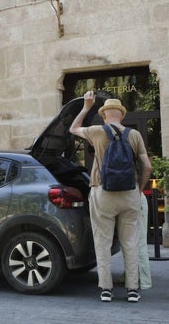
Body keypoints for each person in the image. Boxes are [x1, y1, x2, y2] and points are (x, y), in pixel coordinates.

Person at [70, 93, 152, 303]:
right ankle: (133, 289)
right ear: (121, 116)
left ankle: (106, 289)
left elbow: (73, 128)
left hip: (102, 191)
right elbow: (148, 166)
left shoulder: (97, 131)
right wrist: (139, 189)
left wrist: (86, 106)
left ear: (105, 116)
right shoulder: (134, 135)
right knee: (130, 242)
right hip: (129, 192)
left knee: (103, 242)